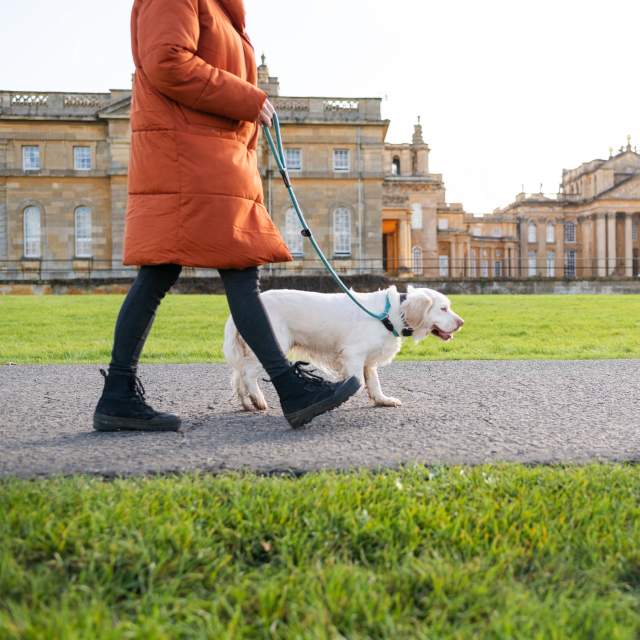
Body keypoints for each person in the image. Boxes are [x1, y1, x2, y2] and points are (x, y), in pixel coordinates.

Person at [94, 0, 361, 433]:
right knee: (232, 268)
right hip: (190, 155)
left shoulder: (219, 9)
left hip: (208, 153)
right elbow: (166, 61)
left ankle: (118, 395)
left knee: (167, 273)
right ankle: (289, 388)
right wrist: (248, 99)